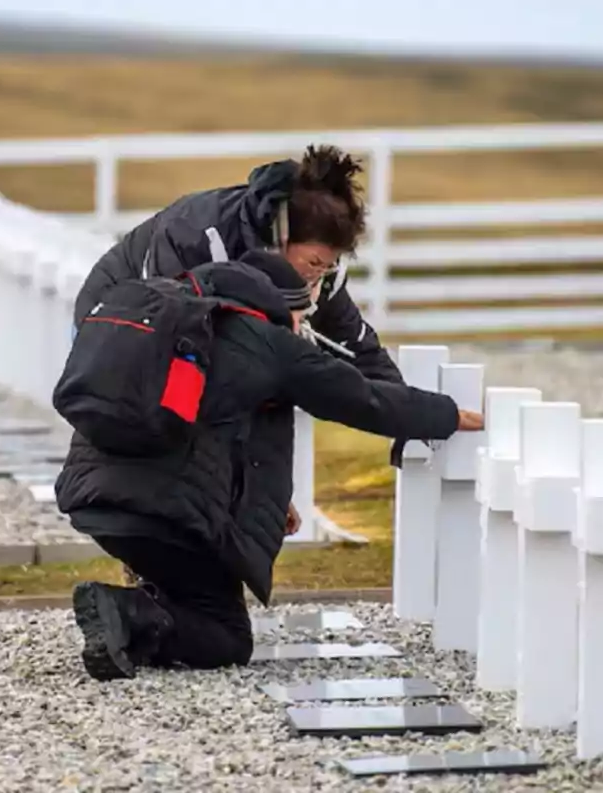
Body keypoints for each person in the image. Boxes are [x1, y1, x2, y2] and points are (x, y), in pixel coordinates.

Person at [54, 249, 483, 681]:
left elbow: (220, 434)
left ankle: (130, 623)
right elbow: (359, 398)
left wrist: (272, 502)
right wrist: (446, 415)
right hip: (165, 514)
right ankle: (126, 613)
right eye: (303, 316)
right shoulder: (267, 341)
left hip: (94, 500)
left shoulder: (178, 316)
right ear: (285, 306)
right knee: (228, 637)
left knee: (189, 589)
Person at [74, 143, 402, 384]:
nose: (320, 275)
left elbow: (356, 348)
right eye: (315, 262)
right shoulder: (194, 234)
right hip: (118, 322)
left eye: (329, 266)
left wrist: (409, 414)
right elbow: (162, 329)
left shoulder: (320, 274)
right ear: (282, 236)